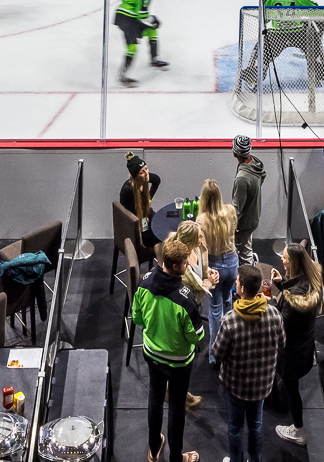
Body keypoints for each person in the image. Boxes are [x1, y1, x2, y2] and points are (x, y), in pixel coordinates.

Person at [134, 236, 207, 462]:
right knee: (176, 407)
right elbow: (197, 338)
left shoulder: (143, 283)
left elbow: (137, 318)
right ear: (175, 266)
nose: (188, 265)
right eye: (186, 263)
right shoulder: (185, 300)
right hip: (179, 363)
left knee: (155, 398)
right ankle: (176, 457)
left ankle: (154, 450)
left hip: (151, 355)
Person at [216, 261, 283, 462]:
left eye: (237, 281)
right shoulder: (274, 314)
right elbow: (283, 342)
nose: (235, 283)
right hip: (262, 385)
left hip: (235, 385)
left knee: (235, 427)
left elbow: (217, 354)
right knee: (256, 425)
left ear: (242, 289)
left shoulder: (230, 320)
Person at [269, 242, 322, 446]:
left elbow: (281, 324)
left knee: (292, 389)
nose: (281, 260)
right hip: (304, 346)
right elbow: (295, 294)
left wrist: (271, 303)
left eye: (284, 258)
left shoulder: (294, 300)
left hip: (291, 352)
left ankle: (298, 430)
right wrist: (282, 284)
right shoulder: (310, 279)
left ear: (293, 262)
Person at [196, 178, 239, 362]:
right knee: (228, 302)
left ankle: (215, 354)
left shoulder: (201, 219)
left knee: (215, 309)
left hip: (215, 268)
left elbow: (201, 249)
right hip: (232, 264)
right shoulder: (230, 211)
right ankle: (230, 345)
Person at [116, 0, 168, 84]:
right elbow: (142, 14)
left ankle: (152, 60)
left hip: (122, 17)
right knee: (135, 45)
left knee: (150, 31)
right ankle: (123, 75)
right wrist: (154, 19)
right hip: (128, 19)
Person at [230, 134, 265, 260]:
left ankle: (249, 271)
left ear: (234, 153)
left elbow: (236, 208)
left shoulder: (242, 178)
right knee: (246, 246)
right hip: (253, 216)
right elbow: (263, 176)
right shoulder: (255, 163)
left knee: (244, 253)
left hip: (243, 223)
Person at [122, 152, 164, 255]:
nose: (146, 174)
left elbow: (157, 180)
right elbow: (131, 217)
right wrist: (144, 218)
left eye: (146, 169)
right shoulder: (128, 191)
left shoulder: (145, 179)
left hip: (145, 215)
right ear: (135, 176)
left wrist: (148, 199)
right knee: (159, 238)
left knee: (164, 228)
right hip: (137, 226)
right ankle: (160, 266)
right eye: (141, 172)